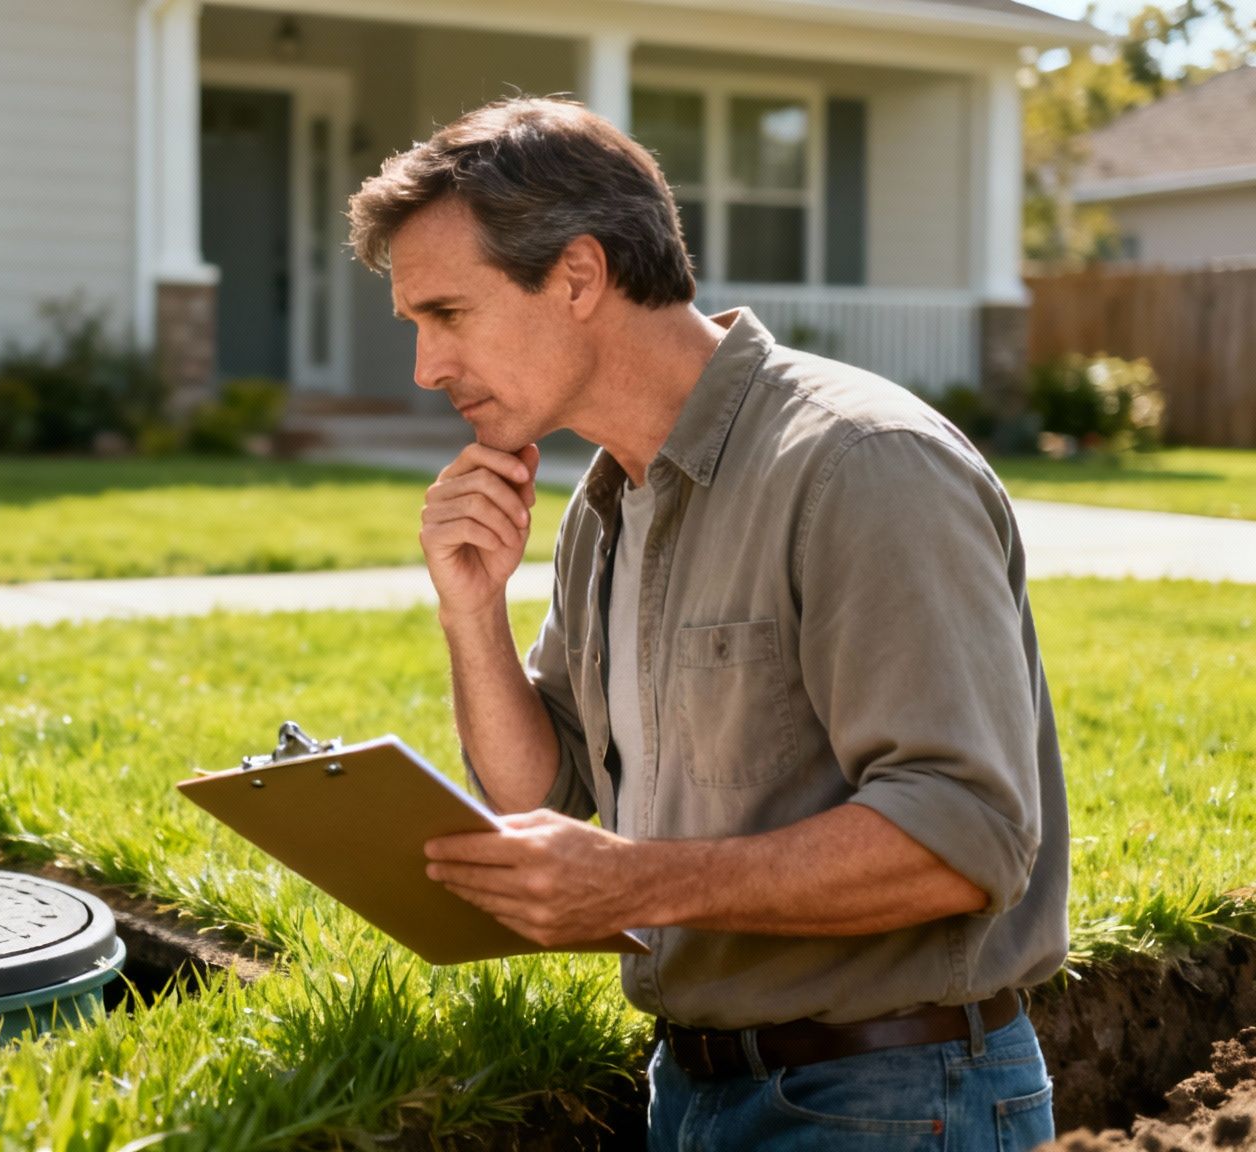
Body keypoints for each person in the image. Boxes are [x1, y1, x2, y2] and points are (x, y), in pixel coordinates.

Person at [344, 95, 1069, 1150]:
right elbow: (537, 789)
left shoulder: (858, 464)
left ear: (578, 276)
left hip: (895, 1095)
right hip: (692, 1093)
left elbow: (962, 838)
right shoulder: (611, 498)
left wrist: (631, 882)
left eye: (446, 315)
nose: (424, 367)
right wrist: (470, 610)